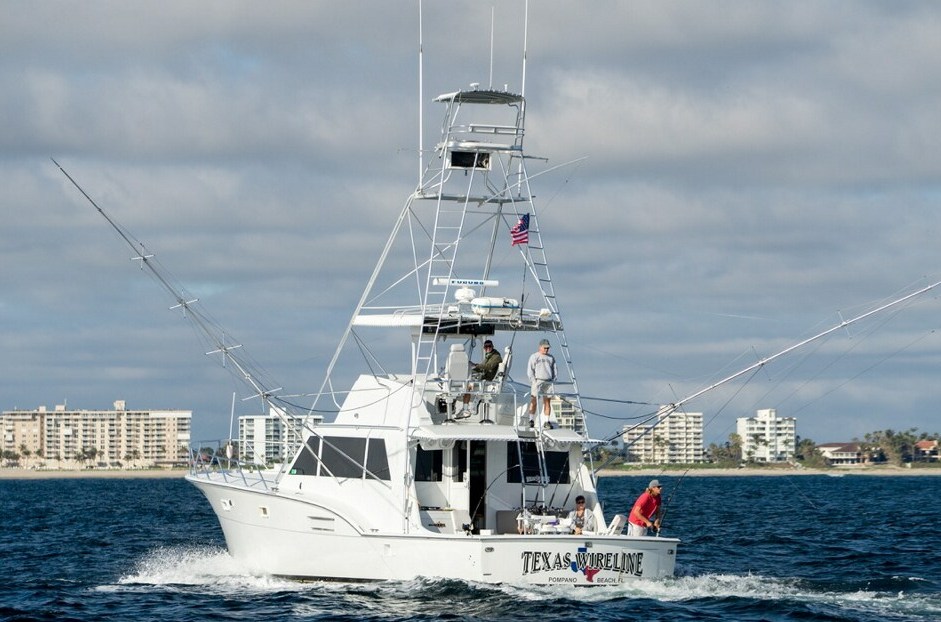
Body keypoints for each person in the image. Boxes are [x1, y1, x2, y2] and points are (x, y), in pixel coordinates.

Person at [527, 338, 557, 428]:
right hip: (538, 380)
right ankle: (531, 419)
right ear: (540, 347)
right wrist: (533, 381)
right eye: (545, 348)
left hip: (548, 381)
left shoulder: (551, 358)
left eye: (548, 348)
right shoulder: (534, 356)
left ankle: (547, 421)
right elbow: (530, 370)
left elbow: (554, 369)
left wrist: (554, 379)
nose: (546, 349)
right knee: (533, 400)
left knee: (547, 402)